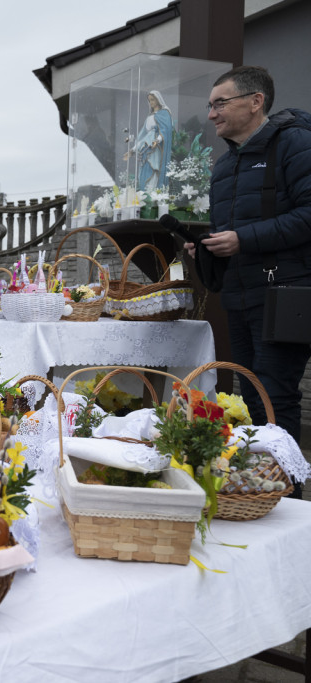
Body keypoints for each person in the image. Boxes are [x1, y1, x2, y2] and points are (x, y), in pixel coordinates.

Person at [189, 65, 311, 496]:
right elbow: (234, 235)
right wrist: (205, 247)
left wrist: (243, 239)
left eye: (220, 103)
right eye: (210, 105)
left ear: (255, 101)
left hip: (286, 294)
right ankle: (264, 494)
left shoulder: (295, 143)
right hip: (241, 298)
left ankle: (290, 499)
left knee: (276, 397)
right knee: (254, 398)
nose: (211, 115)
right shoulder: (224, 167)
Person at [126, 91, 173, 191]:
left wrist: (157, 140)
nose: (151, 102)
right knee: (144, 171)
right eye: (149, 100)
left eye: (153, 99)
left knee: (154, 170)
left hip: (156, 149)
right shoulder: (149, 117)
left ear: (158, 99)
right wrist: (132, 150)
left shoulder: (164, 113)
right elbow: (142, 137)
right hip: (146, 149)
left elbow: (165, 130)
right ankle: (146, 193)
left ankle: (153, 193)